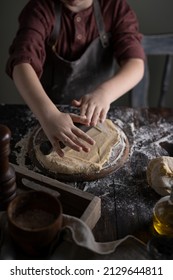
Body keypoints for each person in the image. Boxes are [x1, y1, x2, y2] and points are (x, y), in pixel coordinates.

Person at [6, 0, 145, 157]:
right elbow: (21, 64)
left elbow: (135, 64)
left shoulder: (115, 7)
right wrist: (49, 114)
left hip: (96, 113)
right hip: (45, 111)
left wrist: (105, 93)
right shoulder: (40, 8)